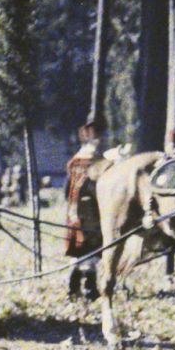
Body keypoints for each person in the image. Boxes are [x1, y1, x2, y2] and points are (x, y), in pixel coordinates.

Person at [64, 120, 107, 299]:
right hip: (91, 210)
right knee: (90, 248)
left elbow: (68, 187)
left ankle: (74, 288)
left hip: (74, 210)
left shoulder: (76, 158)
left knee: (80, 249)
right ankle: (87, 287)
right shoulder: (95, 159)